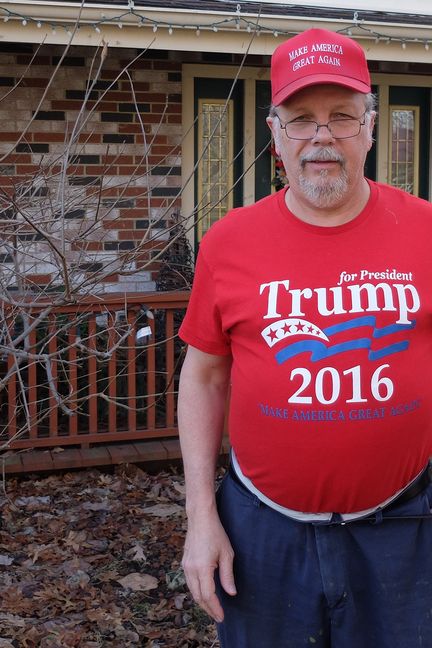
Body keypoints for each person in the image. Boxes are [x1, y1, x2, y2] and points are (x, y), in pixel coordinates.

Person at [177, 27, 432, 648]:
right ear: (275, 133)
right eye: (301, 118)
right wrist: (200, 518)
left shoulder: (426, 230)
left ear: (370, 128)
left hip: (407, 527)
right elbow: (204, 375)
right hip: (262, 532)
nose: (323, 135)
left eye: (342, 116)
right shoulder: (229, 241)